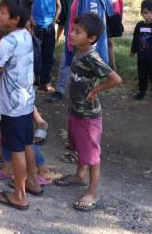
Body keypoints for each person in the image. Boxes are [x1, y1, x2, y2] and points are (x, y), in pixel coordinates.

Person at [53, 14, 122, 212]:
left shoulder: (92, 56)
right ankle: (79, 176)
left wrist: (95, 90)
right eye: (72, 30)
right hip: (76, 110)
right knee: (79, 147)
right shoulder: (79, 50)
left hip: (88, 116)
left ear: (91, 38)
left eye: (77, 32)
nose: (71, 34)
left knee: (91, 154)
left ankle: (93, 192)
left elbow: (115, 79)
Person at [0, 0, 43, 210]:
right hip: (26, 101)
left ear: (15, 19)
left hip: (11, 105)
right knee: (27, 142)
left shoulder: (8, 41)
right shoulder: (25, 34)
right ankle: (32, 182)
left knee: (17, 149)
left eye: (2, 13)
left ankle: (20, 195)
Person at [49, 0, 113, 103]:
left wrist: (84, 53)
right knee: (78, 94)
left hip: (86, 53)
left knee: (86, 97)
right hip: (78, 46)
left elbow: (92, 29)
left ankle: (88, 124)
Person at [31, 0, 61, 92]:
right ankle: (34, 81)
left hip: (50, 27)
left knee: (48, 55)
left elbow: (59, 6)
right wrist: (32, 21)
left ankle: (46, 81)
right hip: (36, 27)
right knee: (36, 56)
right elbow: (27, 6)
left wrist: (54, 21)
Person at [46, 0, 77, 103]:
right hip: (70, 34)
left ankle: (87, 92)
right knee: (65, 63)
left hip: (87, 38)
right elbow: (64, 15)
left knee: (86, 66)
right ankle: (60, 90)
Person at [103, 0, 124, 71]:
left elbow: (120, 2)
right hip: (102, 17)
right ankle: (101, 66)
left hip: (114, 17)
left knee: (110, 42)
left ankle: (112, 67)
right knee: (101, 42)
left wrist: (120, 16)